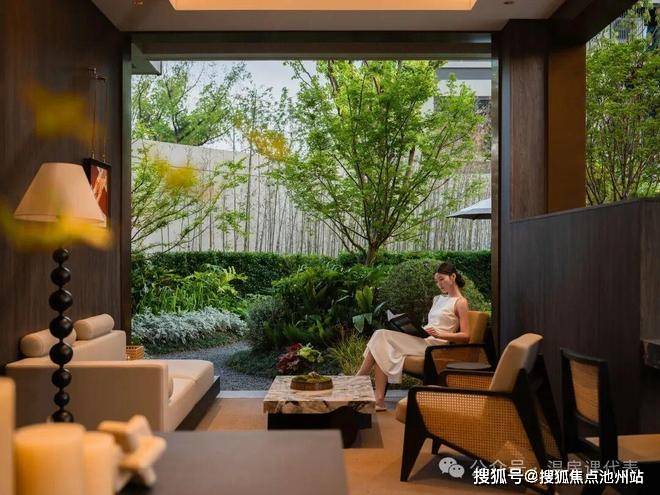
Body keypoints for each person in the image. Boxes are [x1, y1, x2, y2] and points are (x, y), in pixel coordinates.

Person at [356, 262, 471, 410]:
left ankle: (359, 379)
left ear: (453, 277)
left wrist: (441, 334)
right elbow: (433, 323)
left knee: (380, 334)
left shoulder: (461, 302)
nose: (439, 284)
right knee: (382, 346)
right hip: (423, 338)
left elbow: (466, 335)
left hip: (434, 346)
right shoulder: (438, 299)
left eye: (442, 279)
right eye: (436, 281)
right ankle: (378, 400)